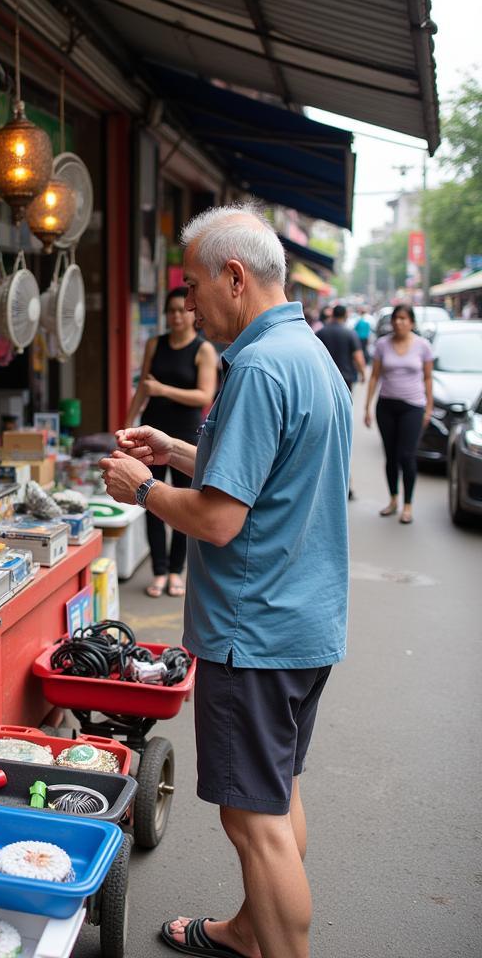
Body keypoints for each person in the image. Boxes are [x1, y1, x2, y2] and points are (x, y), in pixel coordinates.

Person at [99, 203, 351, 958]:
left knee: (252, 820)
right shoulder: (308, 355)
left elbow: (216, 521)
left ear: (234, 277)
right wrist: (177, 450)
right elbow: (264, 477)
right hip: (305, 623)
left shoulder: (257, 367)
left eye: (195, 284)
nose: (191, 302)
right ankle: (249, 930)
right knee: (276, 796)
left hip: (255, 633)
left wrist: (142, 487)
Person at [125, 287, 218, 598]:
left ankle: (178, 570)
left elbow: (204, 396)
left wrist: (163, 389)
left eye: (182, 310)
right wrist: (127, 423)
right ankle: (160, 570)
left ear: (191, 313)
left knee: (182, 503)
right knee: (148, 499)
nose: (177, 316)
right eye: (171, 311)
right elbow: (143, 389)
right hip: (153, 428)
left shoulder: (203, 349)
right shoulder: (156, 343)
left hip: (186, 436)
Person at [363, 302, 433, 525]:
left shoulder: (423, 346)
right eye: (396, 318)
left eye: (403, 319)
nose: (399, 322)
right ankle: (393, 499)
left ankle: (408, 505)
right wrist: (367, 406)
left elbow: (428, 378)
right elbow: (374, 376)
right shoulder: (383, 345)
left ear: (411, 322)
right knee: (391, 456)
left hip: (413, 407)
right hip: (386, 406)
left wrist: (428, 408)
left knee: (407, 455)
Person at [316, 303, 366, 391]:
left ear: (333, 315)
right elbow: (358, 356)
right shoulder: (350, 333)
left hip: (325, 377)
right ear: (345, 315)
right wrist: (362, 373)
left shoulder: (320, 333)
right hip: (345, 377)